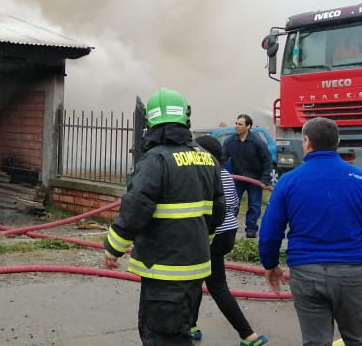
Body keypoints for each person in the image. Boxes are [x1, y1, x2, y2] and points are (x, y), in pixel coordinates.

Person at [258, 117, 362, 346]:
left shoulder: (289, 181)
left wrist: (270, 264)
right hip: (353, 275)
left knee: (316, 342)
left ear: (306, 142)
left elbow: (270, 230)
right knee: (359, 340)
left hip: (306, 273)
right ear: (338, 142)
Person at [103, 88, 225, 346]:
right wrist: (202, 240)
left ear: (150, 122)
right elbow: (218, 210)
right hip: (195, 267)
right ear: (186, 117)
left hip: (165, 270)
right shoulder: (207, 158)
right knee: (180, 331)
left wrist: (113, 247)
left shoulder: (156, 160)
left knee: (162, 337)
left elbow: (136, 207)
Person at [190, 135, 268, 346]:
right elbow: (233, 204)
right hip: (228, 232)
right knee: (196, 280)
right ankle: (191, 325)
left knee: (216, 285)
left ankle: (249, 335)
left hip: (212, 235)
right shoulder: (224, 173)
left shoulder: (204, 173)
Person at [222, 113, 272, 238]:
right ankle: (230, 227)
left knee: (254, 205)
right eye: (236, 123)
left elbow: (267, 160)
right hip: (238, 178)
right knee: (233, 203)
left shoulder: (257, 142)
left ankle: (251, 229)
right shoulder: (230, 142)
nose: (237, 126)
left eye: (240, 124)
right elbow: (222, 159)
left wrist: (265, 179)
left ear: (248, 126)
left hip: (255, 179)